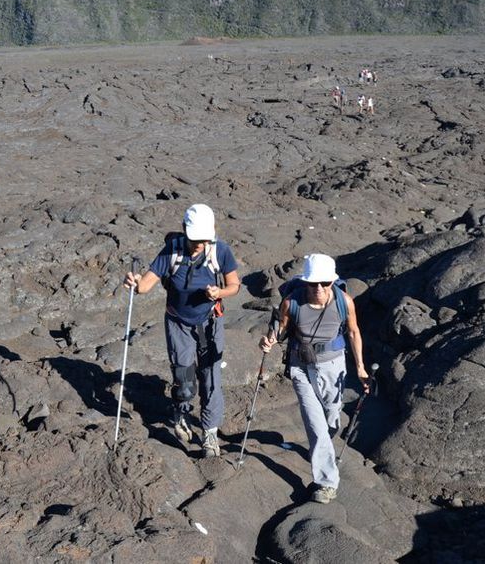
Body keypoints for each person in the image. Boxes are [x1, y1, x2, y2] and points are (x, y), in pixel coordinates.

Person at [124, 204, 241, 457]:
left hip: (209, 322)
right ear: (184, 232)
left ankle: (210, 432)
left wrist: (219, 292)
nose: (198, 243)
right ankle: (181, 412)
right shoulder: (172, 251)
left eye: (203, 239)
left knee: (211, 377)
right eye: (194, 238)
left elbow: (234, 285)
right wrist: (134, 284)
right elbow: (145, 286)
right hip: (178, 322)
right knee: (184, 376)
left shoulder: (220, 251)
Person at [259, 253, 369, 504]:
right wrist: (269, 340)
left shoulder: (344, 301)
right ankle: (326, 483)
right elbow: (280, 329)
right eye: (312, 283)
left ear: (332, 282)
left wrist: (360, 367)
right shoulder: (291, 302)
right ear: (305, 282)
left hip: (333, 364)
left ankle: (323, 449)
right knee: (316, 426)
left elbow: (353, 332)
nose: (318, 288)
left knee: (332, 416)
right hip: (301, 367)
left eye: (324, 283)